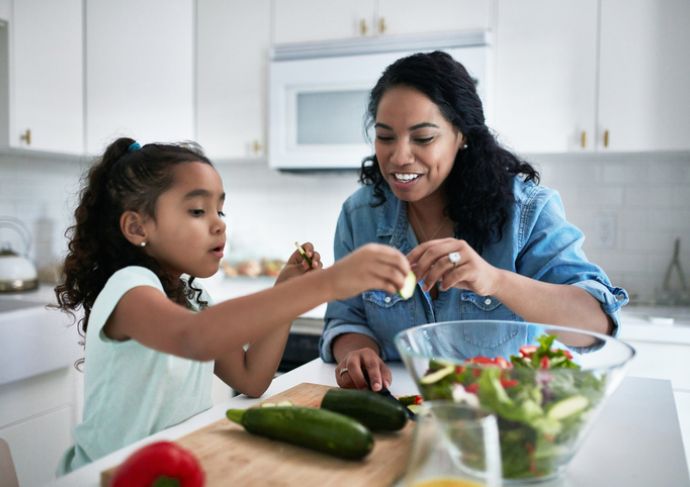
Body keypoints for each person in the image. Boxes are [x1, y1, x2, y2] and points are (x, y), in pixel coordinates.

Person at [54, 137, 411, 474]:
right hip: (104, 475)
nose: (219, 226)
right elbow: (194, 338)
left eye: (220, 212)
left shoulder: (194, 299)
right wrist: (328, 283)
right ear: (136, 226)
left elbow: (251, 378)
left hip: (171, 466)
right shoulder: (130, 287)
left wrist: (287, 290)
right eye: (197, 211)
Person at [319, 51, 629, 392]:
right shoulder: (359, 215)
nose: (399, 156)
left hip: (502, 418)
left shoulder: (526, 211)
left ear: (462, 135)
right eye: (385, 137)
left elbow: (596, 325)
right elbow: (346, 317)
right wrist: (359, 350)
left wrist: (495, 281)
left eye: (423, 138)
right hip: (395, 413)